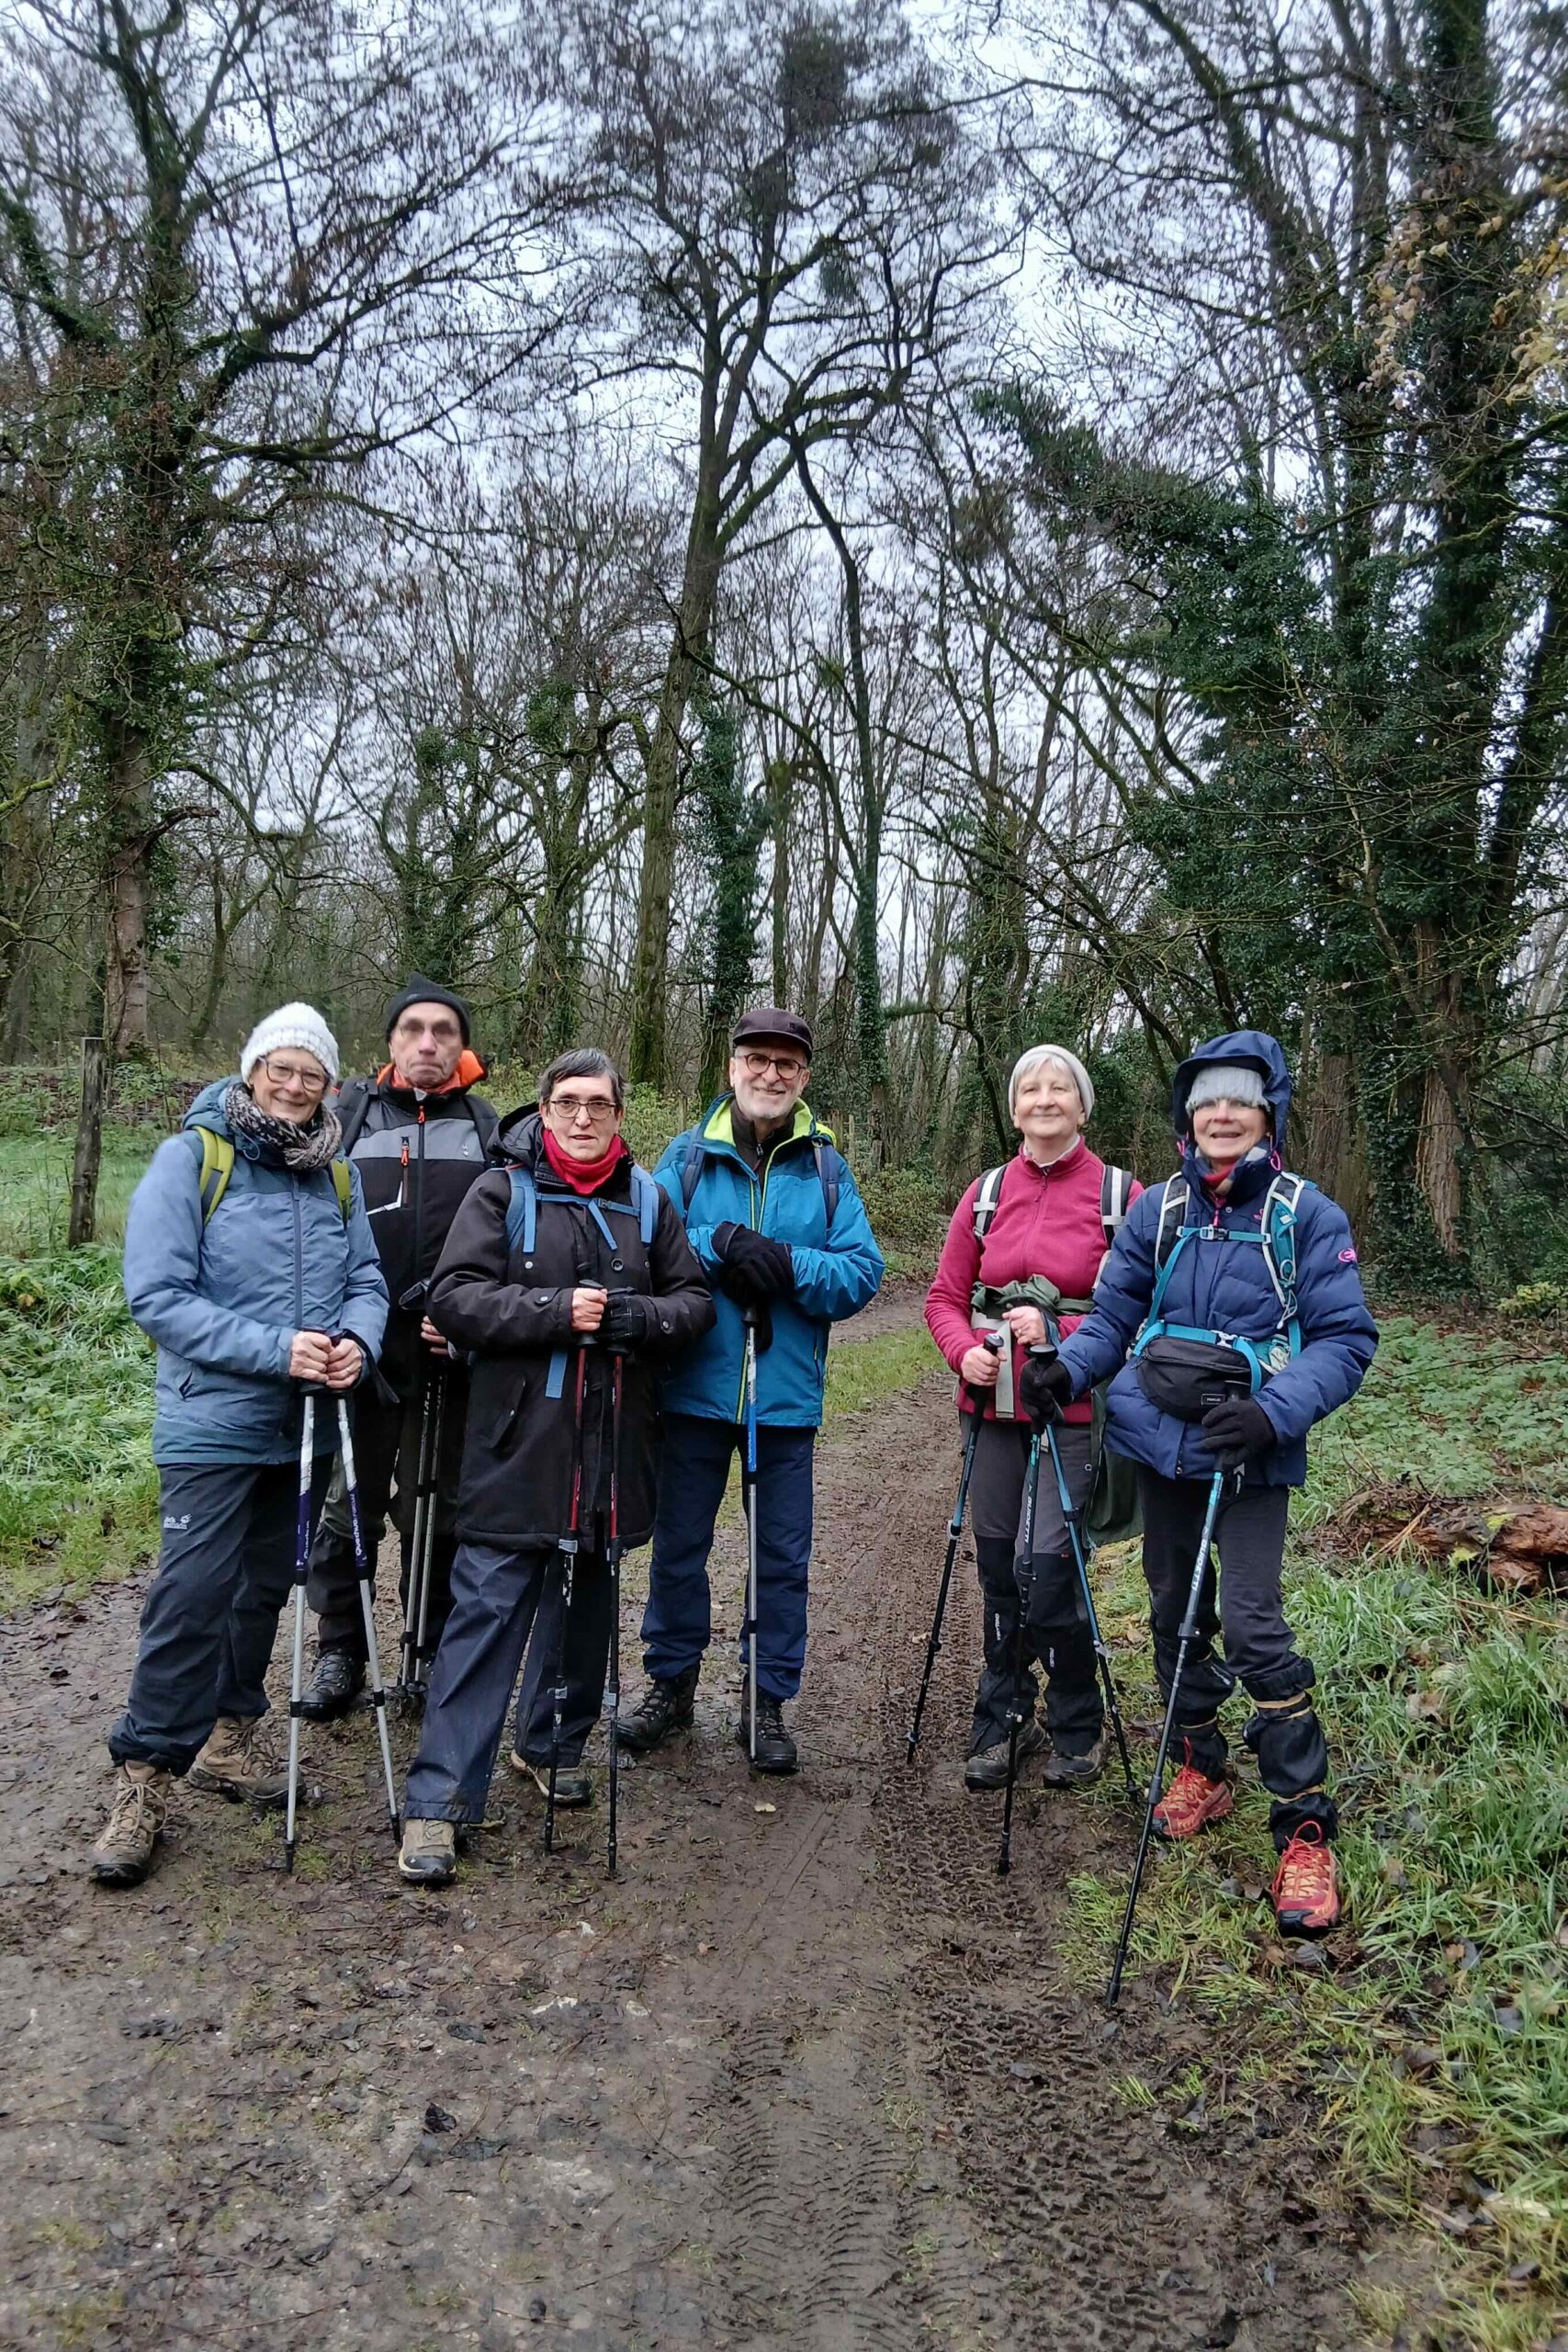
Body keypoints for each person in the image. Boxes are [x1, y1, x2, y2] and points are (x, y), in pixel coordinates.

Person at [1025, 1029, 1378, 1936]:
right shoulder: (1160, 1209)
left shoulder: (1307, 1215)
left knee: (1254, 1627)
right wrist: (1069, 1369)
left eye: (1240, 1101)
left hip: (1252, 1454)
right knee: (1174, 1609)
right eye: (1207, 1101)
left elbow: (1345, 1340)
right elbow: (1114, 1316)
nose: (1222, 1114)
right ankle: (1201, 1766)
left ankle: (1304, 1827)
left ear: (1268, 1115)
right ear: (1188, 1116)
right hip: (1162, 1446)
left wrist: (1272, 1413)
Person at [396, 1049, 714, 1886]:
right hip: (514, 1447)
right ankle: (438, 1802)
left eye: (597, 1104)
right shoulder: (500, 1192)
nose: (581, 1118)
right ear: (542, 1111)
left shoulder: (648, 1202)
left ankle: (550, 1745)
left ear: (618, 1115)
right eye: (567, 1102)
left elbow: (694, 1304)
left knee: (585, 1611)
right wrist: (553, 1311)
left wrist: (637, 1321)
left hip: (615, 1447)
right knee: (486, 1616)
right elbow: (453, 1297)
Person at [91, 1005, 389, 1887]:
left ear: (329, 1086)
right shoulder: (193, 1159)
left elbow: (367, 1279)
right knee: (191, 1596)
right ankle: (144, 1776)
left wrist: (357, 1343)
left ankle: (229, 1740)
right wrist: (277, 1350)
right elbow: (157, 1295)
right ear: (251, 1070)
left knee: (262, 1588)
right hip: (211, 1423)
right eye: (280, 1069)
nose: (293, 1086)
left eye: (311, 1074)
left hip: (303, 1427)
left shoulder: (337, 1175)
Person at [615, 1008, 884, 1774]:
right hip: (691, 1390)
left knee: (780, 1557)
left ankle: (764, 1701)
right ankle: (670, 1686)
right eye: (757, 1060)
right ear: (732, 1067)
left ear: (803, 1077)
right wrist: (721, 1244)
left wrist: (788, 1264)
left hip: (784, 1400)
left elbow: (861, 1272)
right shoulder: (685, 1158)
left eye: (785, 1064)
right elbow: (644, 1246)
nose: (770, 1074)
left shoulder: (826, 1168)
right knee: (678, 1548)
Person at [925, 1046, 1140, 1791]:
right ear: (1014, 1107)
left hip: (1072, 1413)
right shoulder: (985, 1193)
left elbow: (1141, 1311)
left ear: (1082, 1107)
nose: (1044, 1099)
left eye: (1060, 1088)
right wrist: (963, 1353)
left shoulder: (1121, 1197)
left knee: (1044, 1571)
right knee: (997, 1570)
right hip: (989, 1414)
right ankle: (1003, 1716)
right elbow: (943, 1297)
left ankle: (1076, 1718)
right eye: (1030, 1088)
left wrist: (1061, 1334)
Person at [298, 978, 499, 1718]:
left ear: (462, 1045)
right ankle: (341, 1649)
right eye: (412, 1028)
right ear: (389, 1041)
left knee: (435, 1506)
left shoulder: (488, 1129)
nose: (427, 1043)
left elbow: (510, 1239)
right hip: (357, 1346)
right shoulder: (345, 1117)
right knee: (345, 1501)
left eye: (443, 1030)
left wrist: (472, 1318)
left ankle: (428, 1647)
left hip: (446, 1353)